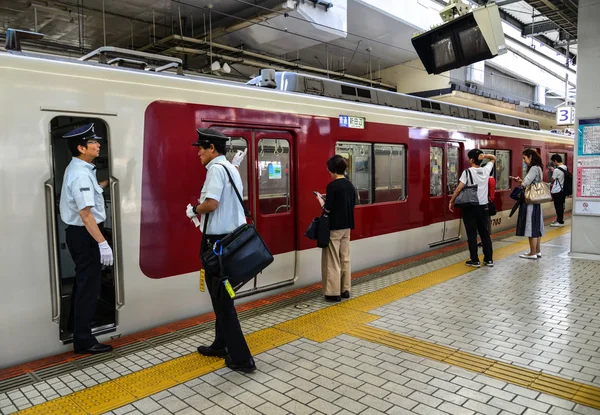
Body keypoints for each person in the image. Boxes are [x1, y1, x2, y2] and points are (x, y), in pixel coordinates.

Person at [186, 128, 255, 373]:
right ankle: (220, 344)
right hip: (231, 241)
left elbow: (211, 204)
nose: (198, 154)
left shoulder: (215, 169)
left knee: (223, 303)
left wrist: (194, 209)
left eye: (200, 149)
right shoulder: (230, 169)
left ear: (211, 148)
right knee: (222, 298)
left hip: (217, 244)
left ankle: (241, 359)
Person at [59, 123, 113, 354]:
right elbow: (86, 213)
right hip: (85, 234)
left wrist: (109, 182)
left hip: (81, 233)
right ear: (82, 147)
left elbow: (91, 193)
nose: (98, 145)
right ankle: (84, 340)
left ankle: (76, 326)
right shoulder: (81, 174)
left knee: (84, 283)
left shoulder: (81, 170)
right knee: (88, 286)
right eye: (93, 142)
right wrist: (102, 243)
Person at [317, 155, 356, 302]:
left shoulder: (332, 186)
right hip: (347, 227)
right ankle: (345, 289)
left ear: (333, 170)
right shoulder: (350, 185)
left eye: (329, 170)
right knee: (345, 258)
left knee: (332, 260)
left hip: (334, 228)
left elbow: (328, 209)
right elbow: (349, 204)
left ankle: (333, 293)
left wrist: (321, 201)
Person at [449, 149, 496, 268]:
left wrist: (452, 200)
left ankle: (474, 260)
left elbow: (459, 188)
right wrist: (484, 156)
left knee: (472, 234)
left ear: (471, 160)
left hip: (470, 207)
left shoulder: (467, 172)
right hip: (483, 207)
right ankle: (489, 259)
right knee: (484, 233)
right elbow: (493, 158)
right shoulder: (485, 170)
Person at [512, 148, 545, 259]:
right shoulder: (539, 168)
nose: (524, 161)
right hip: (537, 200)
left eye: (524, 158)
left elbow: (525, 184)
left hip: (530, 201)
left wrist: (519, 181)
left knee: (531, 226)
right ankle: (538, 250)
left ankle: (532, 253)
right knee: (537, 226)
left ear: (530, 157)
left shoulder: (533, 169)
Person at [549, 154, 566, 227]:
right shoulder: (565, 167)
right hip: (563, 190)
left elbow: (552, 179)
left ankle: (560, 221)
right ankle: (559, 219)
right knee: (561, 206)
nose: (553, 163)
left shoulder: (556, 170)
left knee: (558, 207)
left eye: (553, 162)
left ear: (555, 161)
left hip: (557, 191)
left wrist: (553, 172)